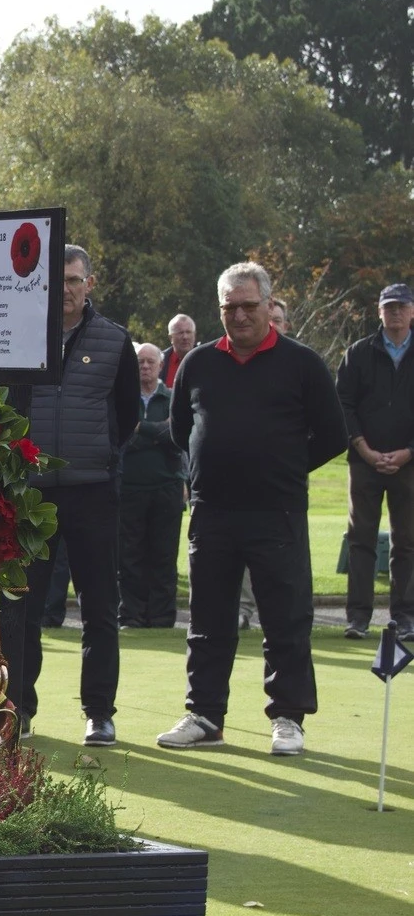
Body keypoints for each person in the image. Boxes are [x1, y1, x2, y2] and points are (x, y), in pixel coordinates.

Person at [157, 261, 347, 757]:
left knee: (285, 619)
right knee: (207, 619)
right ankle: (205, 715)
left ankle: (288, 716)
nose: (239, 316)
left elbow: (332, 434)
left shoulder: (302, 363)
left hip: (276, 511)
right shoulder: (197, 362)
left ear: (268, 304)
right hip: (212, 510)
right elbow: (182, 430)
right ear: (219, 309)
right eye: (229, 308)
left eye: (248, 306)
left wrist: (283, 467)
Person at [15, 245, 138, 748]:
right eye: (57, 280)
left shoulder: (115, 340)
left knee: (99, 607)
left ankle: (99, 713)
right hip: (33, 494)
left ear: (90, 283)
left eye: (73, 279)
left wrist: (101, 456)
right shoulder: (20, 336)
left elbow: (126, 415)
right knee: (23, 607)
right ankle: (18, 706)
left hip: (92, 492)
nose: (64, 289)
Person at [335, 282, 414, 641]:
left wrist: (408, 452)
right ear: (378, 312)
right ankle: (358, 618)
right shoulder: (358, 353)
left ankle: (404, 617)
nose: (395, 312)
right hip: (364, 460)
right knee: (361, 540)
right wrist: (364, 449)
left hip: (409, 462)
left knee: (407, 541)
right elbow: (344, 405)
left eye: (401, 306)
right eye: (389, 307)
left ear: (412, 311)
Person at [118, 342, 184, 628]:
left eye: (150, 362)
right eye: (140, 362)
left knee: (163, 556)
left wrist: (142, 428)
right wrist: (156, 434)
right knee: (129, 557)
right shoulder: (124, 398)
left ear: (160, 365)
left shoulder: (172, 397)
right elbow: (122, 439)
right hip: (130, 488)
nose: (145, 366)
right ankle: (131, 615)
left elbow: (175, 437)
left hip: (166, 489)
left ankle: (161, 616)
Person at [164, 313, 195, 388]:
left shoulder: (205, 359)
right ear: (171, 338)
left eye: (188, 332)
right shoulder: (160, 361)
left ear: (194, 335)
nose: (185, 337)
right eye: (180, 333)